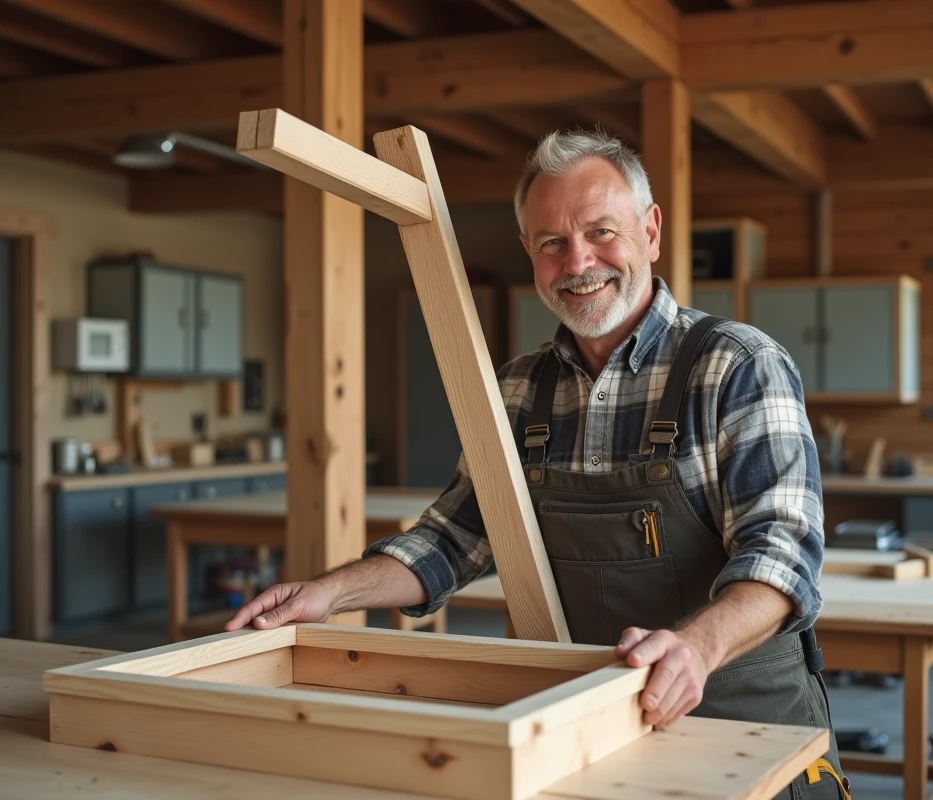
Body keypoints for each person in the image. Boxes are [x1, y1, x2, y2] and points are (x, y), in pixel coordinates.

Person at [227, 129, 849, 798]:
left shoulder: (737, 366)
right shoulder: (519, 390)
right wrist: (329, 593)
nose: (578, 261)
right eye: (551, 242)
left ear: (651, 231)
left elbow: (782, 556)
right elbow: (456, 536)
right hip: (588, 726)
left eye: (601, 233)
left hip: (748, 729)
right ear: (530, 252)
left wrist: (695, 649)